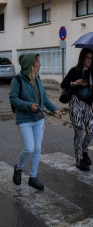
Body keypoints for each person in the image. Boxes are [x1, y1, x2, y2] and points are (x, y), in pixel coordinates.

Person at [9, 53, 62, 190]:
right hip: (24, 119)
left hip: (39, 119)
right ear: (30, 65)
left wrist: (54, 109)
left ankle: (33, 177)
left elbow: (43, 96)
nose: (40, 64)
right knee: (29, 148)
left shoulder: (37, 79)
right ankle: (19, 168)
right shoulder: (17, 80)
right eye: (38, 62)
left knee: (37, 148)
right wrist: (28, 105)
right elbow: (13, 99)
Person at [61, 49, 93, 171]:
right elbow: (63, 84)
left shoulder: (91, 73)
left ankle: (84, 149)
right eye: (87, 58)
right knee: (79, 132)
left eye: (91, 58)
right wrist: (75, 83)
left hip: (88, 105)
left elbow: (92, 89)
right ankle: (79, 159)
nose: (89, 60)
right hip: (76, 103)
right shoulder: (75, 70)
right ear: (82, 58)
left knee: (91, 131)